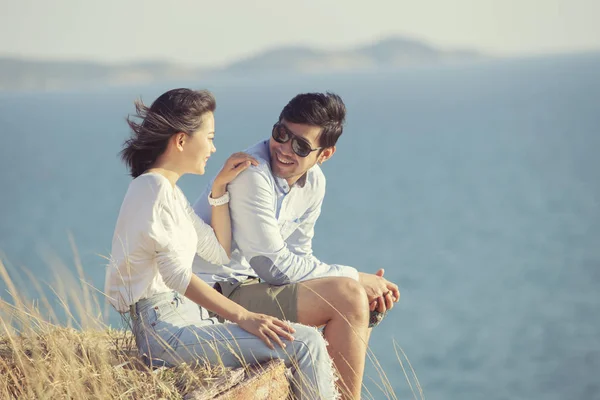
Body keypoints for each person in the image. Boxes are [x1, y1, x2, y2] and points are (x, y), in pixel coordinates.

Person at [105, 88, 338, 400]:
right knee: (306, 343)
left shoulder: (171, 195)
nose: (214, 149)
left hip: (185, 317)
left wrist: (219, 187)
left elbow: (219, 252)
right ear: (181, 140)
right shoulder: (152, 190)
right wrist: (245, 317)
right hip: (162, 331)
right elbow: (177, 277)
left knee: (301, 339)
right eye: (210, 137)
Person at [192, 92, 400, 399]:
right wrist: (354, 279)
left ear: (324, 154)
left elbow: (300, 254)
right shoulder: (252, 173)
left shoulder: (315, 183)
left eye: (301, 146)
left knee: (357, 298)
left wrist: (358, 287)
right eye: (281, 133)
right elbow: (272, 266)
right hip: (213, 295)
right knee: (347, 294)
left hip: (247, 288)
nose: (285, 149)